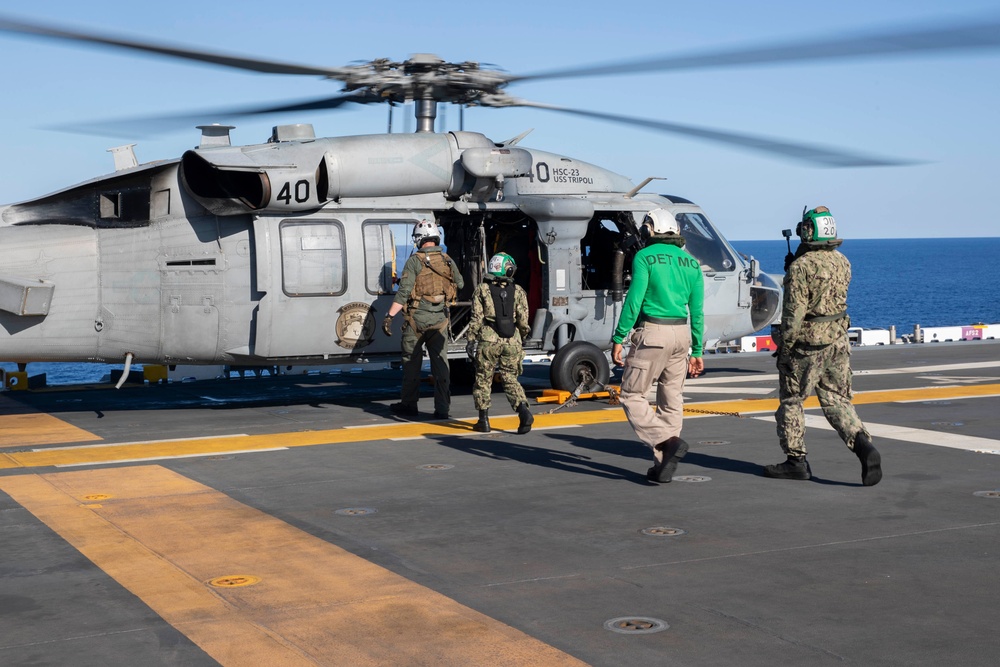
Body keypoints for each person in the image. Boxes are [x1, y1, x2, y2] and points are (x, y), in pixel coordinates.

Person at [765, 206, 882, 486]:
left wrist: (785, 348)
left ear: (808, 231)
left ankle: (796, 461)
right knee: (837, 399)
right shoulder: (842, 261)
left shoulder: (801, 267)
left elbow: (794, 314)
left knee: (792, 401)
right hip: (838, 340)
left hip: (808, 344)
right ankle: (863, 445)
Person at [611, 208, 705, 484]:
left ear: (649, 231)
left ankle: (666, 441)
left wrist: (619, 337)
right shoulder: (692, 263)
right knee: (671, 399)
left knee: (631, 395)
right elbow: (697, 311)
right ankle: (662, 465)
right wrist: (697, 351)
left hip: (653, 333)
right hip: (682, 334)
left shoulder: (644, 257)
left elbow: (634, 301)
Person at [382, 219, 464, 419]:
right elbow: (460, 284)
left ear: (419, 239)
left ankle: (409, 405)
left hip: (416, 322)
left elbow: (403, 294)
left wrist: (389, 316)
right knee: (441, 366)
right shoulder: (447, 260)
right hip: (440, 321)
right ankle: (442, 409)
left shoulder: (414, 261)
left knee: (411, 364)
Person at [466, 252, 533, 434]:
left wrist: (471, 339)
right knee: (510, 378)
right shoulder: (518, 291)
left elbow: (476, 318)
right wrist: (523, 336)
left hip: (488, 340)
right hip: (512, 340)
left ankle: (483, 421)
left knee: (483, 380)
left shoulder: (482, 289)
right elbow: (523, 320)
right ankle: (523, 411)